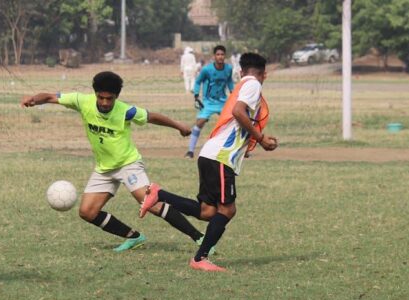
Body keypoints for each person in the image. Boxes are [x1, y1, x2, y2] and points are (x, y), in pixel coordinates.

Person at [20, 71, 210, 253]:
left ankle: (199, 237)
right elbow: (50, 97)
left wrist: (178, 126)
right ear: (95, 94)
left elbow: (152, 117)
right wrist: (34, 100)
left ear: (116, 97)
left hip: (128, 164)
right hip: (104, 169)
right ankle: (133, 237)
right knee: (87, 212)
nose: (104, 102)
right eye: (100, 97)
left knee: (149, 203)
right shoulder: (82, 101)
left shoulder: (126, 111)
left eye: (109, 98)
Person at [140, 53, 278, 272]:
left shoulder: (242, 84)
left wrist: (257, 138)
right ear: (264, 74)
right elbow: (238, 112)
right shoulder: (253, 85)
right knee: (228, 210)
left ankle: (159, 194)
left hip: (210, 154)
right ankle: (199, 258)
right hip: (220, 157)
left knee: (207, 212)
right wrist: (260, 139)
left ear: (240, 71)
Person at [185, 45, 234, 159]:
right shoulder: (207, 69)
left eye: (222, 54)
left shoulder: (228, 69)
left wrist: (233, 93)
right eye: (218, 54)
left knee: (231, 124)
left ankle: (232, 150)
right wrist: (196, 95)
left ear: (224, 56)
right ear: (214, 56)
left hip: (222, 101)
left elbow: (229, 81)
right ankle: (190, 151)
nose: (220, 57)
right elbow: (198, 82)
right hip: (208, 102)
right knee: (199, 123)